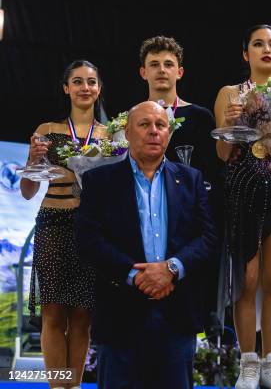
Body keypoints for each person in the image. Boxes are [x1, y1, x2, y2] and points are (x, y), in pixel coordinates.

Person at [75, 101, 216, 389]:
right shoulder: (99, 181)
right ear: (127, 132)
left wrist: (172, 269)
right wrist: (135, 274)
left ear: (169, 133)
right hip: (119, 316)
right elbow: (88, 240)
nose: (154, 131)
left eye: (161, 125)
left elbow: (208, 238)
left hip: (177, 315)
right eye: (144, 125)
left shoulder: (191, 180)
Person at [214, 24, 271, 389]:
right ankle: (247, 364)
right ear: (245, 53)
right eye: (258, 44)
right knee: (246, 281)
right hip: (241, 187)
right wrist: (230, 121)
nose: (266, 49)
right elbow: (223, 153)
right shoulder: (230, 93)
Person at [20, 60, 106, 389]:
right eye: (78, 81)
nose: (85, 87)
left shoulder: (111, 134)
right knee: (54, 314)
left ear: (99, 89)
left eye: (92, 82)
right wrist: (31, 162)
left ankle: (76, 385)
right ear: (66, 88)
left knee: (83, 316)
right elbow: (28, 192)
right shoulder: (46, 130)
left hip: (91, 226)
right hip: (53, 221)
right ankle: (58, 387)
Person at [138, 35, 222, 326]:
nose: (162, 69)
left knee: (188, 315)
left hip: (188, 231)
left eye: (168, 64)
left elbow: (212, 177)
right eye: (154, 64)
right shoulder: (130, 120)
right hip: (143, 225)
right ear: (143, 72)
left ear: (180, 72)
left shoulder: (199, 118)